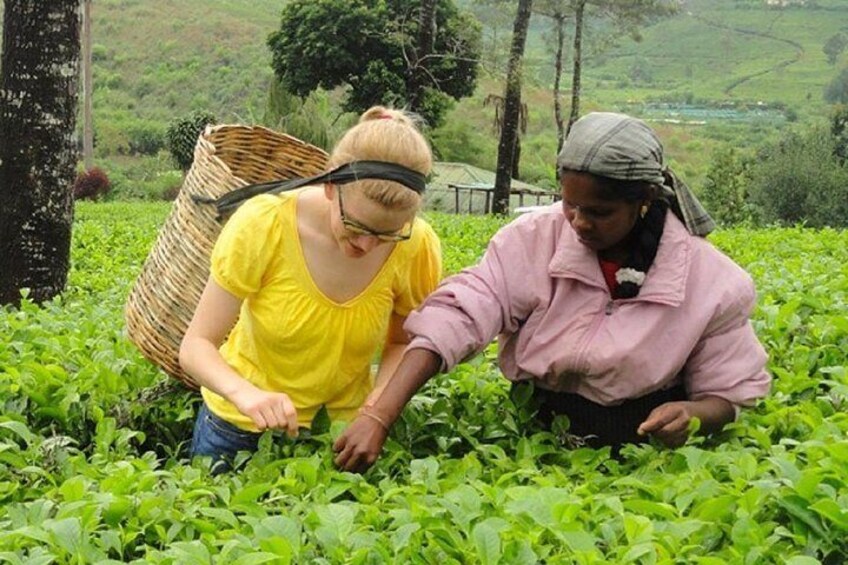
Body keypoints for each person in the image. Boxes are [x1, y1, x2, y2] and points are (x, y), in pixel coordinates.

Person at [334, 111, 771, 472]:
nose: (578, 222)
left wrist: (694, 415)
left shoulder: (711, 281)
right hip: (531, 430)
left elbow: (730, 393)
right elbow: (461, 314)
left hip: (643, 454)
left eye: (599, 212)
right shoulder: (530, 240)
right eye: (570, 205)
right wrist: (379, 414)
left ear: (644, 200)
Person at [180, 106, 442, 471]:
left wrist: (379, 405)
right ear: (331, 187)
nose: (367, 246)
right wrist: (248, 396)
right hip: (238, 430)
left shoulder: (417, 245)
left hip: (340, 436)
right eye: (356, 226)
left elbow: (400, 342)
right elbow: (195, 346)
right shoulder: (263, 225)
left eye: (386, 235)